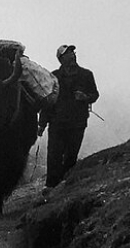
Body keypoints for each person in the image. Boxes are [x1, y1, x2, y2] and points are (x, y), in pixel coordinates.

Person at [38, 44, 99, 188]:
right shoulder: (54, 77)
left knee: (71, 156)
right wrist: (42, 124)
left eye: (72, 53)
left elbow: (95, 95)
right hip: (57, 123)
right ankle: (51, 187)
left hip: (77, 123)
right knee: (54, 156)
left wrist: (85, 97)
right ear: (61, 59)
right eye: (68, 54)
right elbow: (48, 102)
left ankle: (65, 186)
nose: (72, 55)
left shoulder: (86, 75)